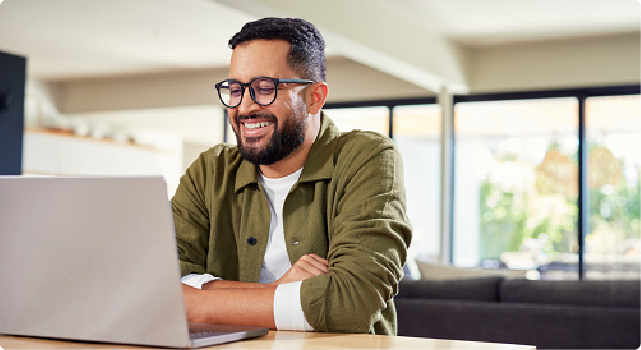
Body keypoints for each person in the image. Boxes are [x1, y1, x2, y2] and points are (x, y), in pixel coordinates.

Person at [172, 17, 411, 335]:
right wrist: (281, 293)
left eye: (264, 89)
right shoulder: (209, 170)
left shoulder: (367, 158)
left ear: (315, 97)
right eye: (235, 89)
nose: (244, 107)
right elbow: (158, 283)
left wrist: (195, 304)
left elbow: (352, 303)